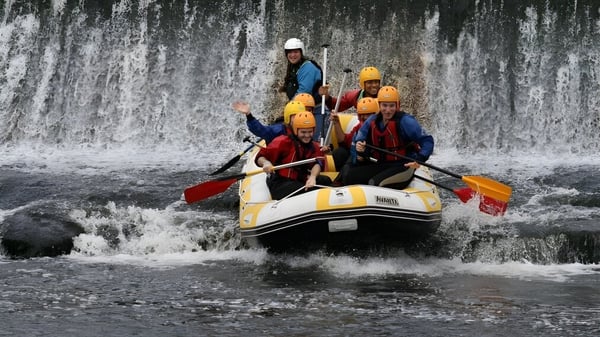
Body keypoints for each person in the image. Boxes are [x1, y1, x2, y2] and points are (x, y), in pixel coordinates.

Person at [343, 86, 434, 189]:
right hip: (383, 165)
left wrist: (420, 158)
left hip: (404, 166)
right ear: (379, 105)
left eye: (392, 106)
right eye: (384, 106)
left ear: (397, 105)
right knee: (349, 176)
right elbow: (360, 137)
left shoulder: (406, 121)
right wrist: (360, 146)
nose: (388, 110)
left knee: (374, 183)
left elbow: (427, 140)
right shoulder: (372, 120)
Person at [255, 111, 332, 200]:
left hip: (299, 178)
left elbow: (317, 163)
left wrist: (312, 177)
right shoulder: (282, 142)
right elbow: (260, 157)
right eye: (303, 132)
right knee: (308, 191)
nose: (307, 135)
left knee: (326, 181)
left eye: (310, 132)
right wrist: (266, 163)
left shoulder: (314, 146)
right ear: (296, 130)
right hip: (280, 182)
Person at [330, 97, 379, 171]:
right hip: (357, 159)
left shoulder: (379, 128)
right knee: (339, 153)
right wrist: (336, 122)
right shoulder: (358, 127)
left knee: (348, 169)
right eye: (362, 114)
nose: (365, 117)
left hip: (373, 162)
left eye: (368, 114)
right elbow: (344, 141)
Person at [232, 100, 306, 143]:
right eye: (294, 116)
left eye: (300, 115)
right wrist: (249, 115)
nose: (298, 119)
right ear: (287, 118)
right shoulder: (279, 130)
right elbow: (261, 130)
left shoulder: (308, 129)